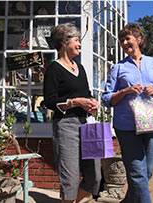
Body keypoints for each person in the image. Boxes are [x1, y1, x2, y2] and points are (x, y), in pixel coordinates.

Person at [102, 23, 153, 203]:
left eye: (127, 38)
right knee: (137, 174)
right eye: (121, 40)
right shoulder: (118, 68)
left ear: (139, 39)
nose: (124, 43)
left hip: (151, 122)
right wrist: (125, 91)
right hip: (126, 126)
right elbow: (107, 98)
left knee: (147, 171)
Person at [43, 22, 102, 203]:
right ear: (63, 42)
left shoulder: (80, 68)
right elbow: (50, 101)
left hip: (86, 126)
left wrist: (92, 103)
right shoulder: (54, 68)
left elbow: (86, 94)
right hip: (66, 126)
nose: (79, 44)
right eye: (76, 40)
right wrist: (74, 102)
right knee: (70, 180)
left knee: (94, 178)